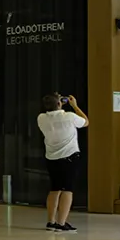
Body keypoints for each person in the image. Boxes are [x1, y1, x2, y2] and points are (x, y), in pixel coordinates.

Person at [38, 93, 88, 232]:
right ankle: (61, 223)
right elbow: (86, 122)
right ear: (60, 103)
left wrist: (57, 105)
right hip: (69, 157)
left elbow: (54, 113)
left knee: (55, 189)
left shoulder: (41, 118)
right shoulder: (69, 116)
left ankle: (51, 221)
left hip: (51, 158)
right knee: (67, 190)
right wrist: (75, 106)